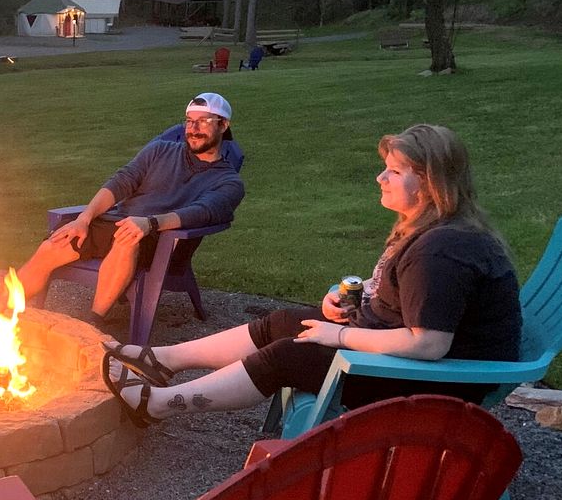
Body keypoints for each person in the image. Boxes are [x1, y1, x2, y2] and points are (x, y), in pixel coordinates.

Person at [102, 123, 522, 425]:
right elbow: (398, 295)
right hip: (399, 358)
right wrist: (348, 300)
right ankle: (165, 359)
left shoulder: (443, 250)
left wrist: (338, 336)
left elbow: (429, 343)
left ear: (429, 183)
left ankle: (158, 405)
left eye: (394, 171)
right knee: (288, 323)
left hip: (428, 381)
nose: (380, 177)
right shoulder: (431, 229)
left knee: (289, 354)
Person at [16, 92, 245, 326]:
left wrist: (150, 223)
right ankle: (6, 309)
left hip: (159, 240)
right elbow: (122, 180)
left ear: (223, 125)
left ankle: (91, 324)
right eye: (189, 121)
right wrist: (83, 219)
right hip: (116, 222)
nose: (193, 128)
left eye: (204, 121)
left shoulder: (228, 182)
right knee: (57, 242)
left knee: (127, 239)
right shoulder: (160, 150)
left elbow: (202, 211)